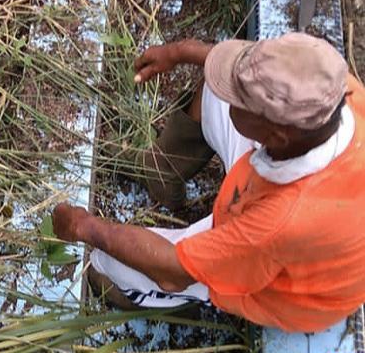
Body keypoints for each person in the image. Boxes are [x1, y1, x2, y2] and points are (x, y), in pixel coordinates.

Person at [52, 32, 365, 333]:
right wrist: (179, 53)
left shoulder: (281, 222)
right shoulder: (335, 95)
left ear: (276, 136)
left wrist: (84, 227)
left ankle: (170, 301)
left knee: (112, 263)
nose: (233, 97)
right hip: (283, 211)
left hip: (281, 290)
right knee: (218, 88)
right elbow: (240, 70)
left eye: (240, 103)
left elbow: (174, 270)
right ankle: (162, 171)